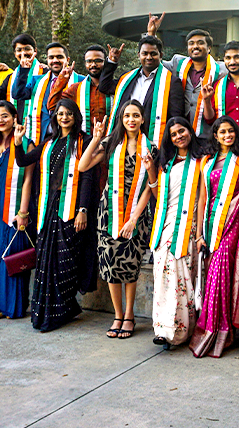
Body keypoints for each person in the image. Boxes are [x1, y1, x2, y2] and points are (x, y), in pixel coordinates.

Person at [13, 99, 95, 332]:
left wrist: (82, 210)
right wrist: (18, 143)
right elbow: (23, 161)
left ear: (76, 116)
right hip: (48, 208)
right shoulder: (49, 142)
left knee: (66, 261)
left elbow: (87, 176)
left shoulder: (83, 141)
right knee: (46, 260)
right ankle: (48, 314)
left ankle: (63, 310)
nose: (64, 117)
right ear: (55, 117)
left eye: (69, 113)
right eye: (60, 114)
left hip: (70, 208)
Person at [78, 100, 155, 339]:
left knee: (130, 265)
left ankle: (130, 316)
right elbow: (83, 166)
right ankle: (117, 315)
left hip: (137, 214)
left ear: (143, 119)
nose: (131, 120)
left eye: (135, 116)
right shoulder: (112, 143)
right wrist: (96, 137)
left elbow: (149, 187)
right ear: (121, 119)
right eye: (126, 116)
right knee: (111, 265)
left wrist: (133, 218)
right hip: (108, 212)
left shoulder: (149, 146)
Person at [190, 116, 239, 358]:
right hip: (210, 224)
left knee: (220, 272)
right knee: (213, 274)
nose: (228, 135)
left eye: (231, 131)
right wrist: (199, 233)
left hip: (232, 224)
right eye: (223, 132)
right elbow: (202, 199)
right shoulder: (207, 162)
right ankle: (214, 325)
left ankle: (220, 330)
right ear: (216, 136)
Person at [135, 117, 203, 348]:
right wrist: (150, 171)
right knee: (163, 272)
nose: (178, 136)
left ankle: (182, 330)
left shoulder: (201, 161)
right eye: (173, 134)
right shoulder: (166, 163)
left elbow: (203, 198)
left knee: (181, 274)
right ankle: (163, 328)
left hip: (187, 225)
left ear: (190, 132)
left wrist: (200, 230)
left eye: (181, 131)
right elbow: (157, 196)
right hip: (165, 225)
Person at [0, 101, 35, 320]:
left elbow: (29, 179)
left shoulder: (25, 143)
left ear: (14, 117)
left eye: (4, 116)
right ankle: (1, 305)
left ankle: (16, 307)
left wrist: (23, 212)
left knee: (14, 256)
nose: (0, 120)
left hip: (15, 206)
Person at [102, 36, 187, 146]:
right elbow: (104, 86)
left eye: (153, 54)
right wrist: (112, 62)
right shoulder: (127, 78)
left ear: (161, 55)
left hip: (153, 140)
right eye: (145, 53)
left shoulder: (171, 82)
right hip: (124, 138)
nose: (149, 57)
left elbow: (176, 116)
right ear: (139, 55)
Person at [17, 42, 81, 145]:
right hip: (42, 137)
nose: (55, 60)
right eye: (51, 57)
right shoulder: (37, 81)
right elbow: (18, 94)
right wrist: (24, 71)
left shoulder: (81, 81)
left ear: (67, 60)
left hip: (70, 138)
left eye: (59, 57)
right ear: (47, 60)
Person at [197, 41, 239, 144]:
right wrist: (207, 100)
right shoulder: (218, 86)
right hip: (226, 143)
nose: (232, 62)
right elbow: (210, 120)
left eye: (236, 57)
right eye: (228, 58)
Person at [52, 45, 115, 132]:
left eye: (98, 61)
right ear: (85, 64)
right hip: (84, 141)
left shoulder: (116, 87)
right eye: (89, 61)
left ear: (105, 62)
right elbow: (52, 105)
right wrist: (62, 80)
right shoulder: (76, 88)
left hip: (111, 140)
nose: (93, 65)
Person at [0, 34, 47, 116]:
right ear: (15, 53)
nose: (23, 53)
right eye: (19, 50)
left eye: (27, 49)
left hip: (38, 126)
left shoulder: (46, 74)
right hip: (16, 126)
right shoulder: (10, 78)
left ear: (35, 51)